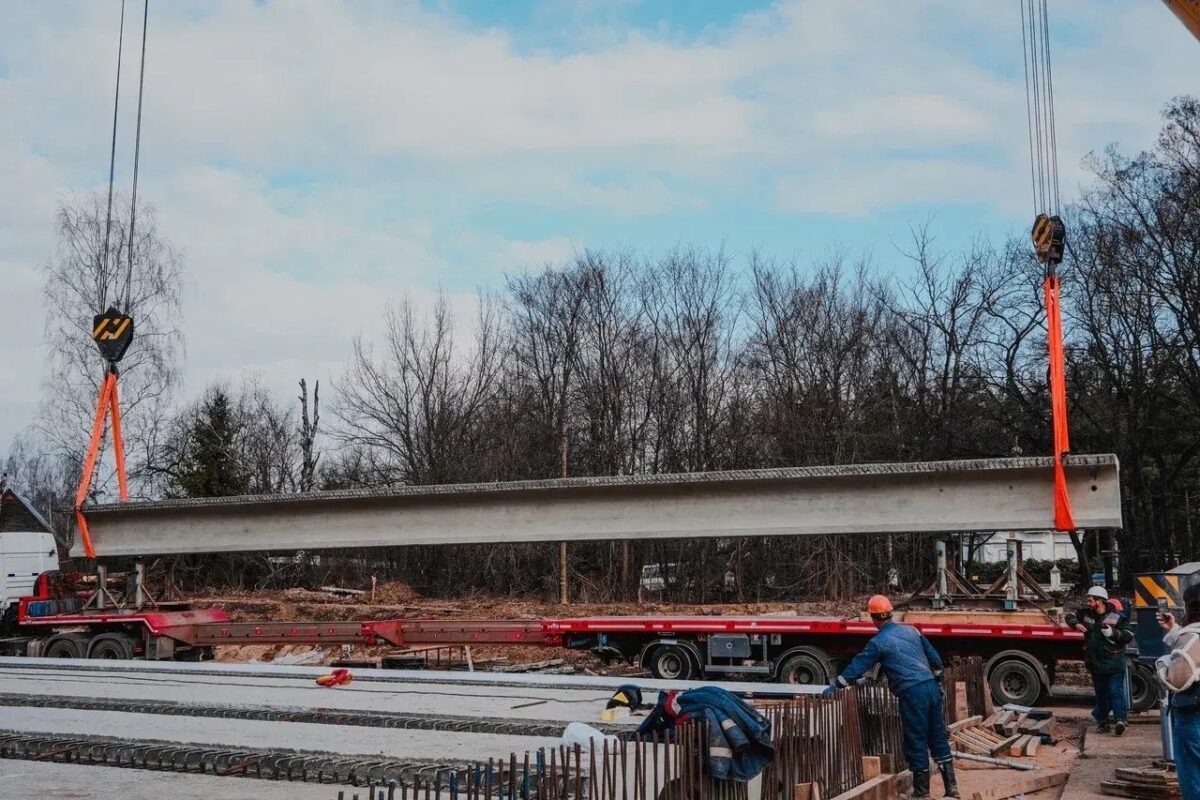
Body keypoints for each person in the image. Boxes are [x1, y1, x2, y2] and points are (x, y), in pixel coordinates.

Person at [823, 595, 956, 799]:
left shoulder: (878, 642)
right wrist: (937, 683)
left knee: (916, 739)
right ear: (890, 613)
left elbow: (858, 667)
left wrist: (836, 685)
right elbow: (935, 660)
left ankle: (922, 793)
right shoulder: (912, 630)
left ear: (873, 617)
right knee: (937, 735)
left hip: (912, 693)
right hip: (930, 687)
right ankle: (952, 788)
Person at [1157, 583, 1200, 800]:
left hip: (1193, 716)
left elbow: (1177, 679)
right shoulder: (1188, 636)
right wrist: (1175, 632)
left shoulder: (1191, 635)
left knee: (1193, 775)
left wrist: (1163, 665)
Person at [1072, 585, 1133, 735]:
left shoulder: (1117, 616)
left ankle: (1120, 720)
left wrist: (1114, 633)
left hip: (1113, 662)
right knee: (1101, 695)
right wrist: (1076, 624)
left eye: (1090, 600)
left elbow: (1128, 635)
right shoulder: (1087, 614)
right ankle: (1103, 723)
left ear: (1099, 601)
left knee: (1114, 692)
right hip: (1096, 663)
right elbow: (1070, 616)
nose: (1087, 602)